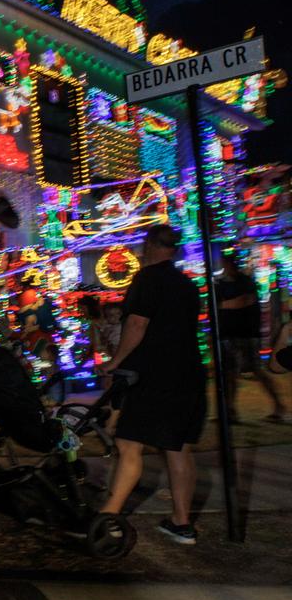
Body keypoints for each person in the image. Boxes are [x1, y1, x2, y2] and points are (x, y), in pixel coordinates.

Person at [99, 225, 205, 544]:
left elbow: (136, 324)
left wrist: (115, 362)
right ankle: (182, 523)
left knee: (129, 444)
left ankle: (109, 516)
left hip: (155, 375)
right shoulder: (187, 285)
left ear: (150, 246)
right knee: (178, 449)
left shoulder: (146, 279)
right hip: (189, 373)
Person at [217, 252, 285, 422]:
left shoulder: (245, 282)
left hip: (246, 333)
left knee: (255, 370)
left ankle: (278, 405)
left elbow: (244, 301)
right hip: (230, 333)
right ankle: (230, 411)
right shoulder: (223, 284)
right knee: (230, 373)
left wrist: (221, 305)